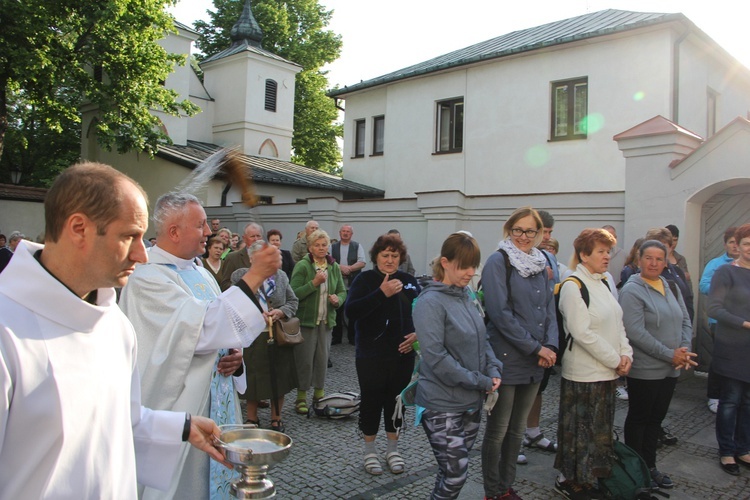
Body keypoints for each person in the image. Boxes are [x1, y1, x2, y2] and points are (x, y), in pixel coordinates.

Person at [0, 162, 225, 498]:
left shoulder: (115, 323)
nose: (142, 255)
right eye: (129, 236)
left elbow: (120, 419)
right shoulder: (8, 327)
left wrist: (180, 427)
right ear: (79, 229)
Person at [119, 192, 280, 500]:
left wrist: (235, 356)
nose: (209, 232)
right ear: (174, 231)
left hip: (216, 398)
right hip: (179, 407)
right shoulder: (146, 277)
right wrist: (254, 276)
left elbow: (222, 325)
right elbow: (200, 329)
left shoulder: (201, 272)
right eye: (201, 225)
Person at [414, 232, 503, 499]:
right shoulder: (429, 302)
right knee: (456, 473)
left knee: (448, 472)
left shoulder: (467, 296)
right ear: (445, 262)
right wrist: (481, 381)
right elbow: (436, 358)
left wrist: (494, 369)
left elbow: (483, 338)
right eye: (464, 266)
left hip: (470, 401)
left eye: (474, 266)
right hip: (441, 403)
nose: (470, 272)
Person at [481, 206, 557, 500]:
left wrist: (550, 346)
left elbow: (549, 310)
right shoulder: (498, 262)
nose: (524, 236)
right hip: (507, 358)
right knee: (498, 431)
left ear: (539, 234)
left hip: (536, 360)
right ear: (508, 230)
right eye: (518, 230)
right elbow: (500, 314)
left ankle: (505, 487)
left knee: (516, 432)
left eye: (530, 231)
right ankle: (492, 490)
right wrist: (536, 347)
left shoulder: (542, 262)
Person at [554, 228, 633, 499]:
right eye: (601, 251)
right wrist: (615, 360)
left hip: (608, 372)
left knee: (599, 431)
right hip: (584, 373)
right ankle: (569, 480)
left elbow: (617, 323)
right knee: (578, 431)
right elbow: (582, 332)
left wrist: (626, 355)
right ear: (584, 255)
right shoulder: (573, 285)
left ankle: (590, 477)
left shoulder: (603, 283)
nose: (607, 256)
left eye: (608, 251)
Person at [619, 240, 696, 489]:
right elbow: (635, 332)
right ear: (639, 260)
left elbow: (685, 319)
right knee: (639, 418)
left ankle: (650, 467)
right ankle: (635, 470)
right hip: (646, 369)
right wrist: (669, 354)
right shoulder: (632, 290)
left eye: (659, 259)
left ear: (666, 261)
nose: (654, 263)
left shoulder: (669, 285)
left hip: (670, 368)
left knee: (656, 420)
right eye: (648, 258)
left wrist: (684, 351)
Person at [345, 234, 420, 475]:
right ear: (376, 257)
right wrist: (381, 293)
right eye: (385, 255)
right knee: (372, 401)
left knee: (396, 402)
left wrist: (418, 335)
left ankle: (392, 449)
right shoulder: (364, 280)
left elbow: (424, 312)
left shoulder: (409, 281)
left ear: (401, 257)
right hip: (371, 355)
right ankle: (369, 451)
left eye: (394, 256)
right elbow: (352, 312)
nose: (390, 260)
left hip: (403, 355)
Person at [234, 241, 299, 433]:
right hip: (251, 336)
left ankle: (276, 417)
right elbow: (233, 302)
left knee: (278, 377)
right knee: (252, 377)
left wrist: (280, 312)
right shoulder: (240, 276)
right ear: (251, 258)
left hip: (276, 334)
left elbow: (293, 301)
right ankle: (252, 418)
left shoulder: (280, 276)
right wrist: (253, 313)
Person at [708, 223, 750, 476]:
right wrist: (744, 323)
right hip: (732, 348)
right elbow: (715, 309)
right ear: (738, 245)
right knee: (730, 401)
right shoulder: (726, 272)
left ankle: (744, 448)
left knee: (748, 403)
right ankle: (726, 451)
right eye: (746, 244)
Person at [290, 229, 347, 415]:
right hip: (307, 322)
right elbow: (293, 293)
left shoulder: (334, 267)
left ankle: (319, 395)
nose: (321, 248)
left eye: (324, 245)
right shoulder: (303, 266)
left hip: (326, 321)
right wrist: (313, 283)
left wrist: (338, 300)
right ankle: (300, 397)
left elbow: (342, 290)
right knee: (305, 360)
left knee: (322, 359)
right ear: (310, 247)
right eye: (317, 245)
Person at [700, 226, 739, 413]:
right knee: (719, 359)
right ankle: (714, 396)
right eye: (731, 242)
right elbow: (704, 285)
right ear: (725, 244)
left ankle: (735, 394)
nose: (735, 246)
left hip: (742, 322)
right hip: (720, 322)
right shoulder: (716, 264)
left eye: (737, 242)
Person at [644, 227, 694, 322]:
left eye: (663, 247)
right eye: (654, 247)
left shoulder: (677, 271)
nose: (659, 252)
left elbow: (688, 299)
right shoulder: (643, 275)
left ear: (671, 248)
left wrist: (687, 327)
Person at [331, 224, 366, 344]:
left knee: (353, 312)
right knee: (336, 312)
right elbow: (329, 261)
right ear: (340, 233)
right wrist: (341, 268)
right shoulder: (333, 246)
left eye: (348, 231)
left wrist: (349, 269)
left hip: (353, 285)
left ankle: (352, 337)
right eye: (343, 231)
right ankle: (336, 338)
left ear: (351, 234)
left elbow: (362, 262)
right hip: (337, 284)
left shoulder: (357, 246)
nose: (345, 233)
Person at [220, 222, 264, 290]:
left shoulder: (271, 257)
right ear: (244, 238)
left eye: (258, 236)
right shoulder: (232, 258)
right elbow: (225, 284)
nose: (256, 239)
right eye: (252, 236)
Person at [665, 224, 692, 289]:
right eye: (671, 240)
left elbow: (688, 282)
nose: (673, 243)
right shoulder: (659, 259)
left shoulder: (681, 259)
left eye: (675, 240)